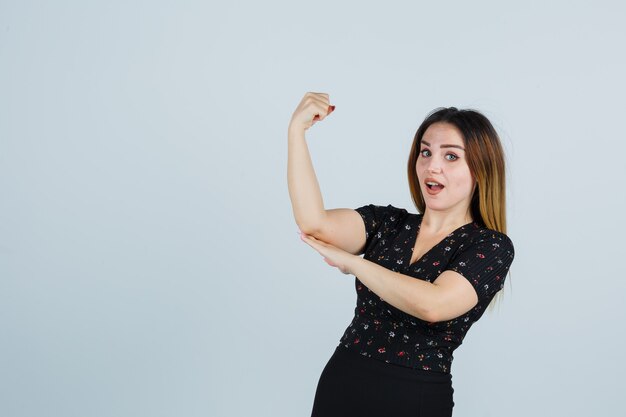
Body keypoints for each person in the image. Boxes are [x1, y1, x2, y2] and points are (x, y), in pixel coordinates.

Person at [287, 92, 515, 417]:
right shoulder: (387, 223)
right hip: (342, 383)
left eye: (451, 156)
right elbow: (314, 223)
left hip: (414, 398)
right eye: (426, 152)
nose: (432, 165)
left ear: (481, 170)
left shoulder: (490, 247)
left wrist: (354, 263)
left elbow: (432, 305)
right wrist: (297, 131)